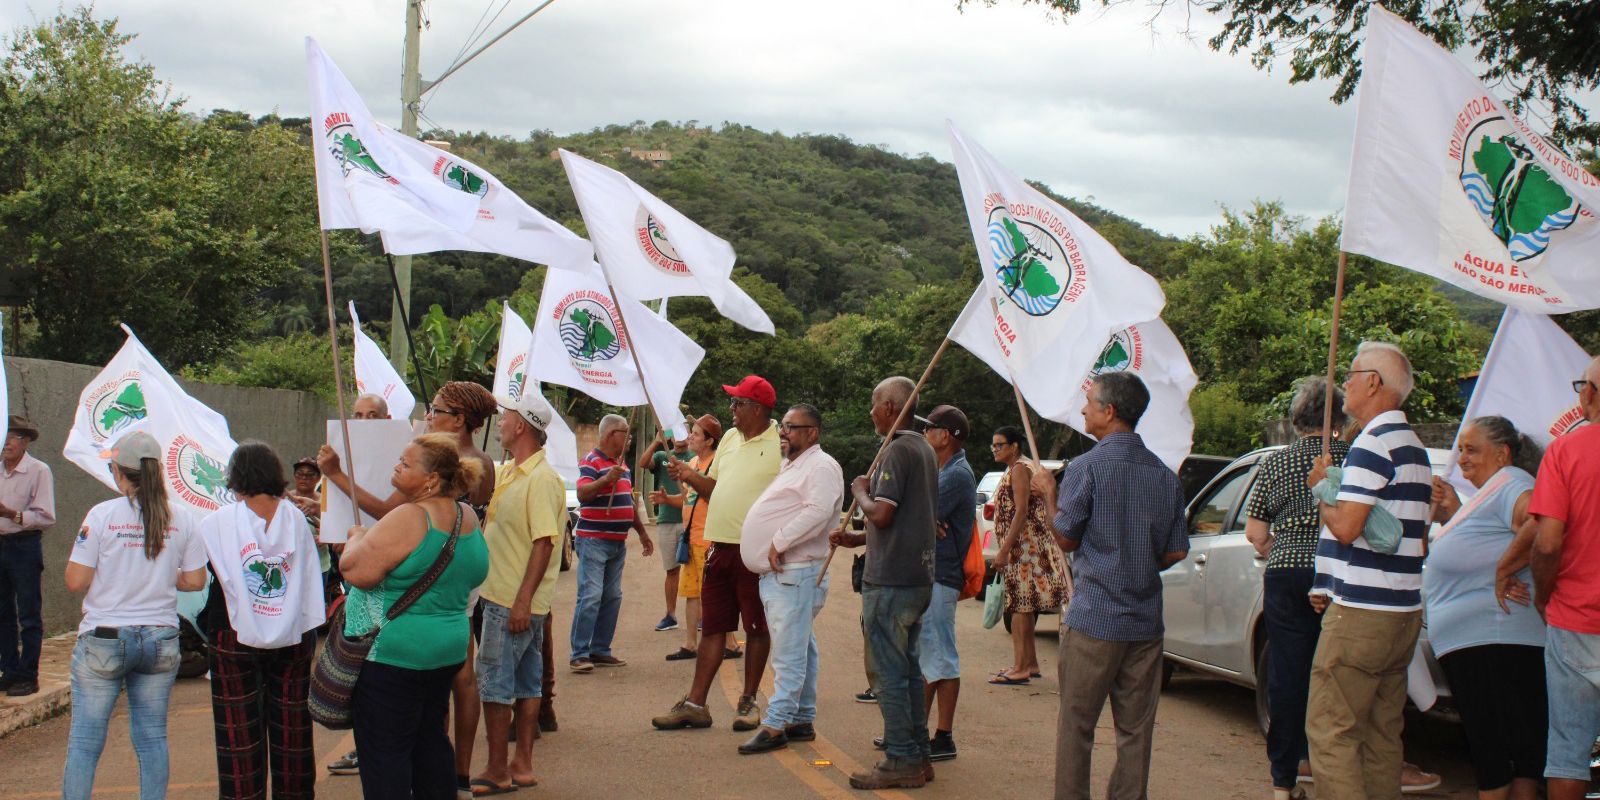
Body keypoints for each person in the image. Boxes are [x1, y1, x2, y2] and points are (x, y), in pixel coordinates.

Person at [319, 381, 498, 785]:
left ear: (431, 479)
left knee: (386, 754)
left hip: (396, 656)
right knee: (430, 741)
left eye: (404, 464)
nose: (395, 468)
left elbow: (356, 571)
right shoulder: (465, 517)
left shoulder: (410, 517)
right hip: (446, 647)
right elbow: (478, 571)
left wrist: (356, 538)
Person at [1303, 342, 1432, 800]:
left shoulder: (1373, 443)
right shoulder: (1414, 447)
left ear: (1374, 382)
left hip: (1362, 613)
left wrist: (1323, 489)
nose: (1347, 385)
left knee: (1331, 732)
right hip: (1403, 610)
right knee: (1381, 735)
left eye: (1353, 375)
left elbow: (1347, 528)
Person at [1052, 372, 1188, 800]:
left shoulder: (1086, 467)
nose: (1083, 410)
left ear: (1109, 412)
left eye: (1089, 403)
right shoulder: (1164, 475)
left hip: (1094, 617)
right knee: (1135, 732)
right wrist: (1138, 563)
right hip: (1145, 621)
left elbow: (1066, 537)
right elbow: (1176, 552)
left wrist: (1045, 496)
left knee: (1077, 725)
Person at [61, 431, 207, 800]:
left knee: (85, 742)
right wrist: (157, 575)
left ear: (118, 471)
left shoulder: (102, 515)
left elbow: (75, 581)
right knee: (152, 738)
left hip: (105, 638)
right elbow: (194, 581)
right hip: (160, 638)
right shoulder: (184, 518)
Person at [196, 441, 327, 800]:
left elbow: (205, 572)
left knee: (238, 731)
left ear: (235, 478)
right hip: (293, 634)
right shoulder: (296, 518)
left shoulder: (217, 523)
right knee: (292, 727)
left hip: (231, 634)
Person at [1426, 416, 1547, 800]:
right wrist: (1451, 513)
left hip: (1495, 640)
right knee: (1511, 756)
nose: (1461, 458)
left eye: (1471, 449)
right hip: (1484, 641)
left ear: (1503, 453)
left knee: (1497, 756)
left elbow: (1538, 520)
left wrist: (1505, 569)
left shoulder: (1513, 480)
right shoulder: (1491, 491)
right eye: (1460, 448)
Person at [1243, 377, 1352, 800]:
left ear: (1295, 419)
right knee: (1337, 674)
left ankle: (1283, 780)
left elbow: (1255, 531)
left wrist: (1282, 549)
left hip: (1287, 573)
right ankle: (1334, 772)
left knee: (1287, 675)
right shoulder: (1353, 458)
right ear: (1339, 417)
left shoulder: (1277, 462)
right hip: (1340, 575)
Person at [652, 376, 781, 732]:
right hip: (718, 547)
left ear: (756, 408)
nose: (731, 409)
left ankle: (749, 701)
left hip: (754, 552)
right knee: (712, 627)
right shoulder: (728, 438)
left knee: (756, 627)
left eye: (737, 403)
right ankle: (696, 704)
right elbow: (715, 490)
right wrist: (688, 476)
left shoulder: (780, 444)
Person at [829, 375, 939, 790]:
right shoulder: (924, 448)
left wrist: (859, 490)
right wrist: (856, 539)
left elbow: (884, 514)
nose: (871, 412)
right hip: (915, 576)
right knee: (907, 669)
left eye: (875, 405)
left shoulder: (897, 451)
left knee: (888, 673)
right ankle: (918, 755)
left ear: (891, 408)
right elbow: (906, 519)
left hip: (892, 581)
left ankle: (900, 759)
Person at [734, 403, 843, 755]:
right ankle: (800, 717)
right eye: (783, 426)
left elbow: (819, 510)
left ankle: (777, 722)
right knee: (802, 646)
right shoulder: (794, 464)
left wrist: (778, 541)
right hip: (787, 575)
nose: (782, 432)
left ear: (811, 432)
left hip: (796, 572)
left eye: (791, 427)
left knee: (788, 652)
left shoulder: (822, 466)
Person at [470, 392, 565, 795]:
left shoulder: (541, 479)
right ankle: (521, 764)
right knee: (526, 684)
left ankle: (498, 769)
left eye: (506, 418)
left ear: (522, 426)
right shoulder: (512, 471)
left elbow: (544, 542)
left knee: (495, 684)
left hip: (510, 599)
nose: (502, 423)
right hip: (512, 598)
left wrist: (523, 600)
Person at [1528, 355, 1600, 800]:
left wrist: (1543, 594)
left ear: (1590, 393)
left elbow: (1548, 542)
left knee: (1568, 752)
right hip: (1574, 616)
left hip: (1575, 619)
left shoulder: (1566, 451)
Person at [570, 414, 654, 671]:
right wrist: (607, 479)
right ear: (609, 435)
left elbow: (627, 503)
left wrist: (641, 532)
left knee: (612, 596)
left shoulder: (623, 466)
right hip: (593, 540)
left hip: (617, 542)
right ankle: (579, 653)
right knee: (592, 595)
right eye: (625, 433)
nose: (629, 439)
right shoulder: (591, 462)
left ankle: (600, 649)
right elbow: (583, 493)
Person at [989, 424, 1071, 686]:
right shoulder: (1015, 469)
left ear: (1014, 447)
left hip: (1024, 549)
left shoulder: (1020, 470)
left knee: (1020, 606)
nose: (994, 449)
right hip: (1022, 546)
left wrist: (1004, 550)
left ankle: (1021, 666)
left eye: (999, 444)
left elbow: (1021, 512)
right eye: (993, 445)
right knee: (1021, 605)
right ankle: (1030, 662)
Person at [918, 405, 974, 760]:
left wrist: (922, 518)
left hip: (943, 572)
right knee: (929, 654)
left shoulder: (956, 475)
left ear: (946, 435)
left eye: (930, 428)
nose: (925, 434)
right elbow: (920, 515)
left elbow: (916, 512)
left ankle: (941, 736)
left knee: (940, 655)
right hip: (933, 571)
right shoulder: (943, 470)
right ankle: (916, 732)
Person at [0, 415, 56, 698]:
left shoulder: (38, 470)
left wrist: (11, 513)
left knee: (29, 613)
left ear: (26, 442)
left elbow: (47, 517)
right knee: (2, 613)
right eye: (4, 435)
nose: (7, 442)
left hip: (24, 544)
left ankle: (28, 674)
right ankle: (8, 671)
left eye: (14, 436)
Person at [663, 414, 722, 661]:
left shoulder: (717, 464)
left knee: (713, 596)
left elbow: (713, 495)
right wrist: (667, 499)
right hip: (691, 538)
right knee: (691, 594)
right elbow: (688, 499)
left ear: (709, 441)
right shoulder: (695, 461)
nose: (690, 437)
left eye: (696, 434)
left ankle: (726, 643)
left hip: (707, 539)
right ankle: (690, 644)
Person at [640, 433, 689, 632]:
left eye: (684, 433)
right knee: (671, 570)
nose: (680, 438)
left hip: (691, 520)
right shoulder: (662, 456)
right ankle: (670, 615)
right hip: (667, 520)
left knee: (699, 570)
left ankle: (702, 617)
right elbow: (643, 463)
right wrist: (657, 441)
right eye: (676, 434)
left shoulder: (696, 456)